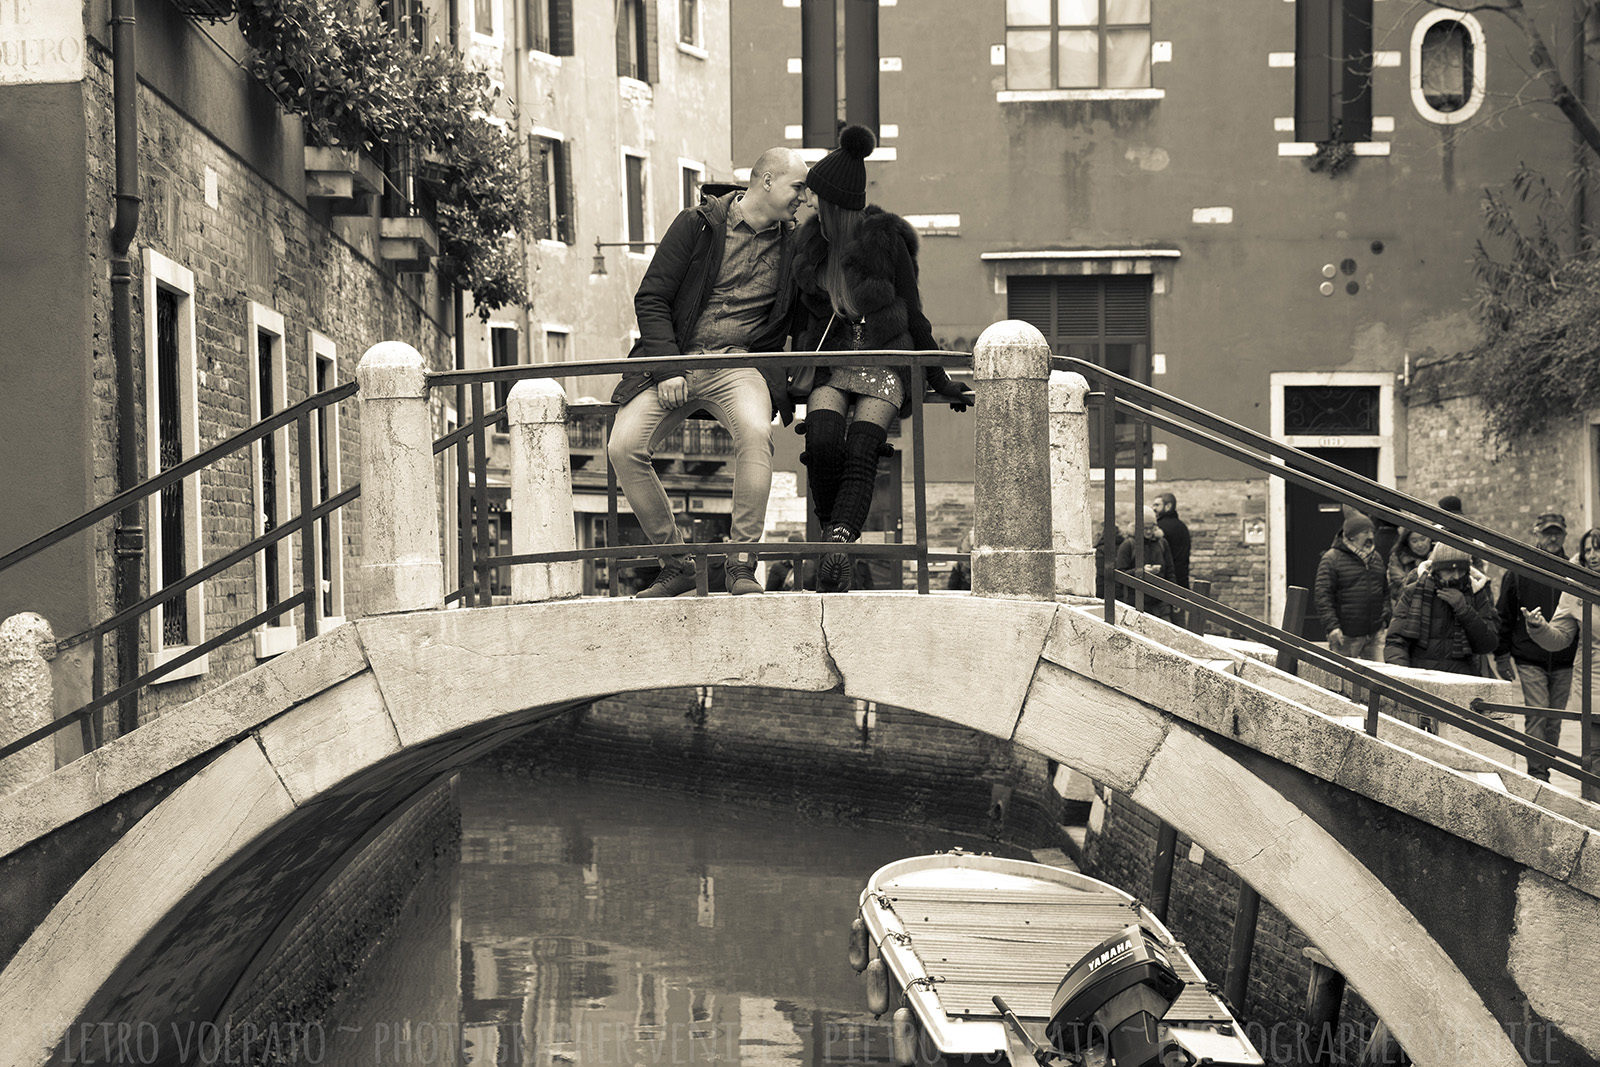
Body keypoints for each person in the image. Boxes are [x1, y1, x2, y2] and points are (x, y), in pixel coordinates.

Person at [608, 147, 811, 598]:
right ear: (766, 182)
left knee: (757, 433)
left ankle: (740, 565)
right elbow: (653, 298)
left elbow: (811, 309)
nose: (803, 196)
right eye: (797, 186)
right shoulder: (696, 224)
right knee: (623, 447)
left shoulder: (796, 244)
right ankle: (676, 563)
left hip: (739, 365)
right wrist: (668, 368)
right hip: (676, 360)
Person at [791, 124, 972, 591]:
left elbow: (914, 313)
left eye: (815, 198)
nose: (808, 205)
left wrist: (940, 380)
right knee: (823, 443)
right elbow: (795, 322)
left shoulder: (885, 239)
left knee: (862, 450)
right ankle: (837, 544)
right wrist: (778, 382)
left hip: (884, 363)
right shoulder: (811, 247)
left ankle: (836, 545)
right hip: (831, 366)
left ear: (833, 203)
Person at [1494, 513, 1578, 781]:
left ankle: (1546, 766)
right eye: (1546, 533)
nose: (1552, 538)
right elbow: (1504, 614)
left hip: (1565, 658)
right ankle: (1537, 773)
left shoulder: (1574, 571)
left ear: (1564, 535)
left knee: (1554, 721)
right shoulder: (1520, 571)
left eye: (1557, 533)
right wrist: (1502, 654)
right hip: (1529, 655)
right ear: (1536, 533)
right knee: (1538, 714)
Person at [1385, 543, 1499, 675]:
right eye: (1449, 570)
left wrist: (1464, 610)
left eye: (1461, 571)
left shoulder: (1476, 593)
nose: (1456, 576)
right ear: (1437, 570)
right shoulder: (1415, 592)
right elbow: (1396, 641)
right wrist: (1404, 675)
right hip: (1420, 676)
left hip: (1464, 679)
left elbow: (1488, 644)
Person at [1312, 514, 1388, 659]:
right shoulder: (1331, 558)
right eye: (1365, 532)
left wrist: (1384, 618)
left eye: (1372, 531)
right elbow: (1323, 596)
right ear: (1352, 536)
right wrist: (1333, 627)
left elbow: (1384, 591)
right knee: (1343, 679)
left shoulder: (1376, 557)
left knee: (1377, 679)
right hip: (1346, 635)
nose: (1371, 536)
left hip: (1375, 633)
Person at [1114, 506, 1176, 620]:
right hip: (1137, 603)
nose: (1148, 531)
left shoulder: (1162, 543)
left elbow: (1170, 571)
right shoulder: (1128, 545)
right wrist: (1140, 572)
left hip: (1161, 604)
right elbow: (1119, 575)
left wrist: (1174, 597)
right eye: (1144, 528)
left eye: (1151, 528)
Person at [1386, 525, 1433, 619]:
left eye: (1423, 539)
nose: (1420, 544)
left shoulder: (1439, 556)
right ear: (1407, 543)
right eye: (1414, 541)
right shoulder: (1398, 558)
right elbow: (1399, 589)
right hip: (1408, 612)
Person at [1153, 492, 1191, 589]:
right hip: (1182, 580)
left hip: (1166, 581)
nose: (1153, 508)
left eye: (1157, 505)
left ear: (1168, 506)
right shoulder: (1182, 527)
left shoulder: (1159, 527)